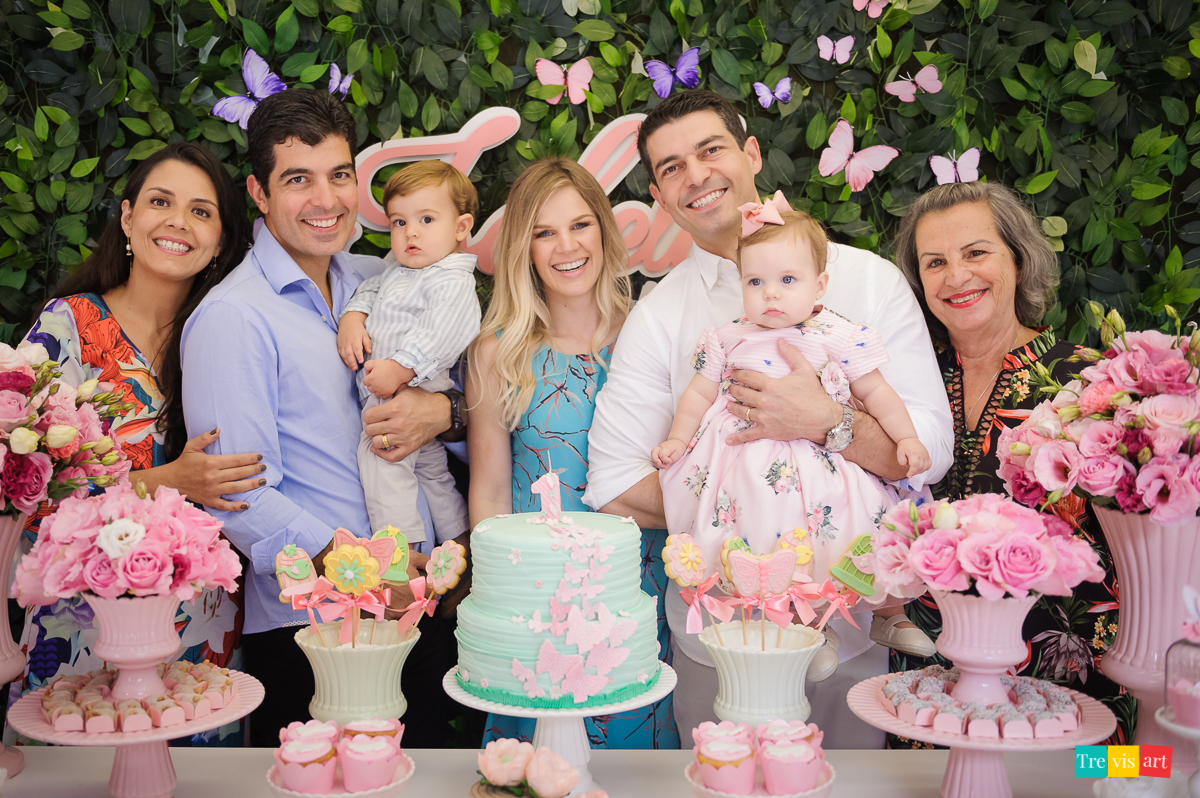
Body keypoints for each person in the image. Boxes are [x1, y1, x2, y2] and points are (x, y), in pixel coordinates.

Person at [583, 90, 954, 748]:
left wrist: (828, 422)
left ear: (752, 153)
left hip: (852, 633)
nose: (695, 175)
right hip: (717, 633)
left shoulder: (865, 285)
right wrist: (752, 517)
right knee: (725, 781)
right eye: (671, 168)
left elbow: (929, 445)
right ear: (660, 195)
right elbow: (613, 481)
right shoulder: (663, 315)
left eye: (711, 150)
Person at [180, 89, 458, 747]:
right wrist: (362, 565)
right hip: (313, 627)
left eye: (339, 175)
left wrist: (443, 411)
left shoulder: (383, 277)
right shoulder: (233, 317)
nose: (326, 199)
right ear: (258, 191)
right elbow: (237, 495)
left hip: (417, 604)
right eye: (297, 180)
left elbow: (461, 400)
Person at [9, 142, 256, 747]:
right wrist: (169, 480)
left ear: (221, 240)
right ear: (126, 218)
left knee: (199, 779)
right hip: (84, 616)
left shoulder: (225, 330)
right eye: (160, 202)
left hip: (202, 618)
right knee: (82, 768)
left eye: (202, 211)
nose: (178, 221)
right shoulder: (68, 326)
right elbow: (24, 487)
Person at [652, 203, 935, 681]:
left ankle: (890, 613)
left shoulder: (837, 335)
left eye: (788, 280)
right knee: (781, 536)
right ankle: (813, 630)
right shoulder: (727, 337)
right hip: (747, 459)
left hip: (825, 457)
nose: (770, 295)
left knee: (854, 522)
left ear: (819, 285)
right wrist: (679, 438)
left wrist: (906, 437)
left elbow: (876, 391)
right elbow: (698, 393)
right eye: (755, 282)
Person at [891, 180, 1129, 741]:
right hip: (926, 697)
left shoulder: (1088, 382)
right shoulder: (905, 388)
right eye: (935, 263)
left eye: (977, 253)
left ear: (1019, 262)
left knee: (1135, 774)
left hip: (1074, 696)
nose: (956, 276)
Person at [467, 157, 679, 748]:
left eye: (580, 225)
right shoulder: (497, 353)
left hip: (638, 591)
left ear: (604, 232)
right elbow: (487, 492)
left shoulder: (649, 332)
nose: (567, 246)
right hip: (540, 603)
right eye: (544, 231)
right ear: (524, 249)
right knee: (542, 763)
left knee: (634, 759)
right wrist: (508, 604)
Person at [336, 160, 479, 547]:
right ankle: (458, 541)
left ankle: (397, 549)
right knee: (432, 471)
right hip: (397, 387)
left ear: (461, 227)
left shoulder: (452, 279)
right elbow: (371, 291)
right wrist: (353, 315)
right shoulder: (398, 270)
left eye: (427, 220)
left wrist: (402, 367)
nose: (410, 232)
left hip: (407, 386)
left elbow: (444, 332)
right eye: (399, 223)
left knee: (382, 459)